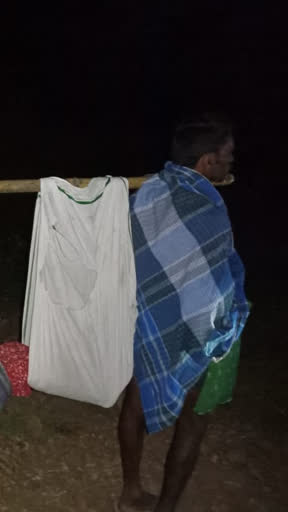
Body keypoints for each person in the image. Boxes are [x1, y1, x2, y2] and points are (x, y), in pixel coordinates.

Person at [117, 114, 249, 512]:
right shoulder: (208, 204)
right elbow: (219, 273)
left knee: (134, 402)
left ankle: (130, 492)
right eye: (227, 156)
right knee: (194, 420)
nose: (231, 164)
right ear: (207, 162)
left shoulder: (148, 194)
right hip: (202, 331)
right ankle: (166, 507)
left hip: (151, 322)